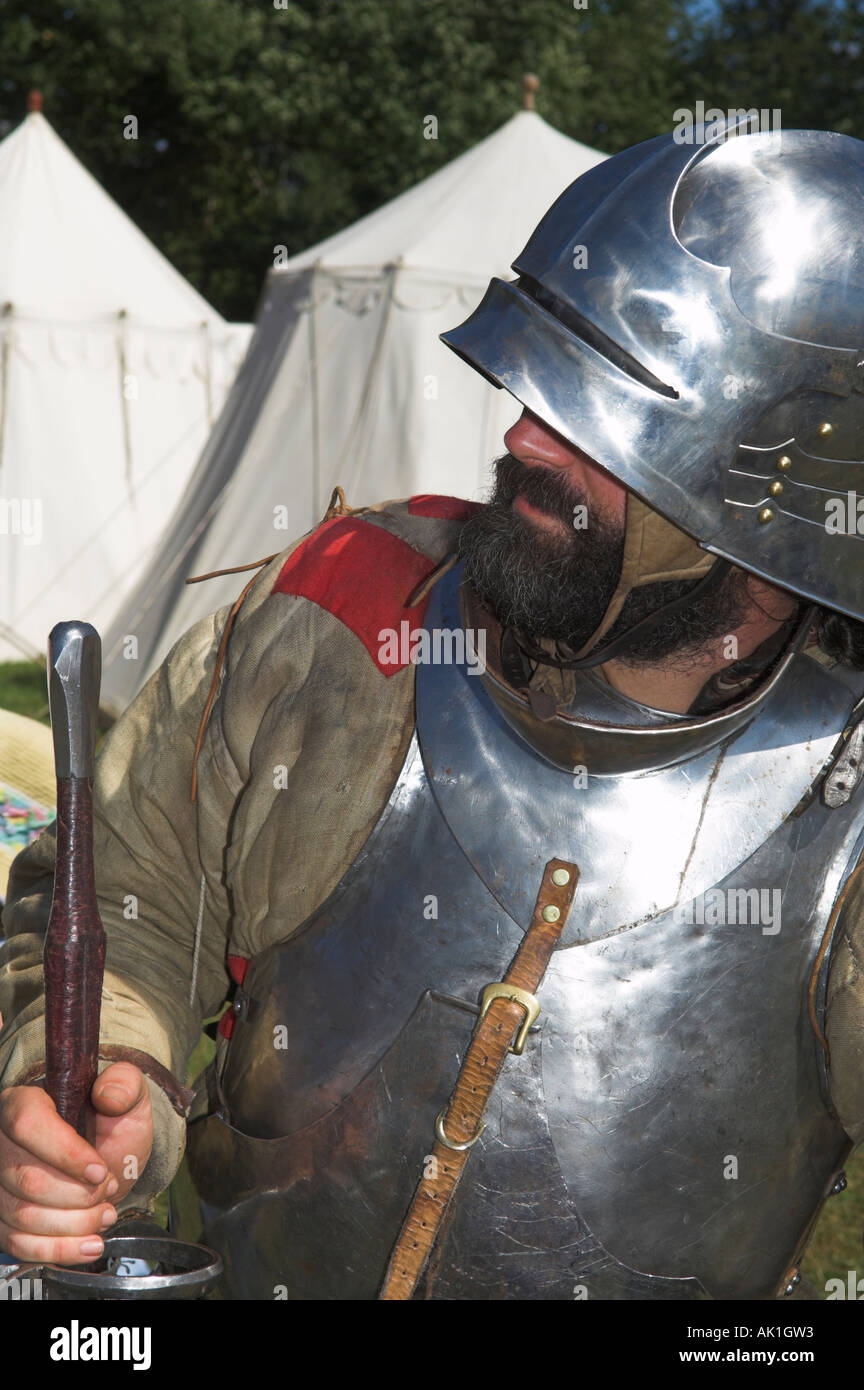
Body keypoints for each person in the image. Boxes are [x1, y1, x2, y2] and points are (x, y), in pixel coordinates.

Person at [1, 118, 864, 1300]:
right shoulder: (340, 612)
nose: (515, 431)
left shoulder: (845, 795)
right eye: (534, 381)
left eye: (594, 415)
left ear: (769, 518)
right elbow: (130, 899)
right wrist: (107, 1084)